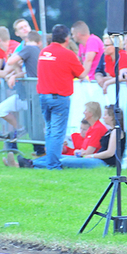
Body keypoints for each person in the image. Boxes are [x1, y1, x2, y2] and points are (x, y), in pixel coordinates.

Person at [28, 24, 87, 169]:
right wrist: (89, 62)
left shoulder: (44, 52)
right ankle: (53, 165)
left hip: (43, 96)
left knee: (49, 131)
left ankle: (47, 162)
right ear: (67, 38)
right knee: (57, 133)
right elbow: (82, 74)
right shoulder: (68, 54)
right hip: (59, 98)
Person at [7, 105, 125, 169]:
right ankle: (27, 163)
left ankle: (28, 165)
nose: (103, 117)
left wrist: (92, 155)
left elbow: (110, 153)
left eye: (105, 115)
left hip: (103, 162)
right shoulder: (110, 131)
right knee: (56, 156)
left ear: (112, 117)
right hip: (95, 158)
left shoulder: (116, 131)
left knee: (63, 161)